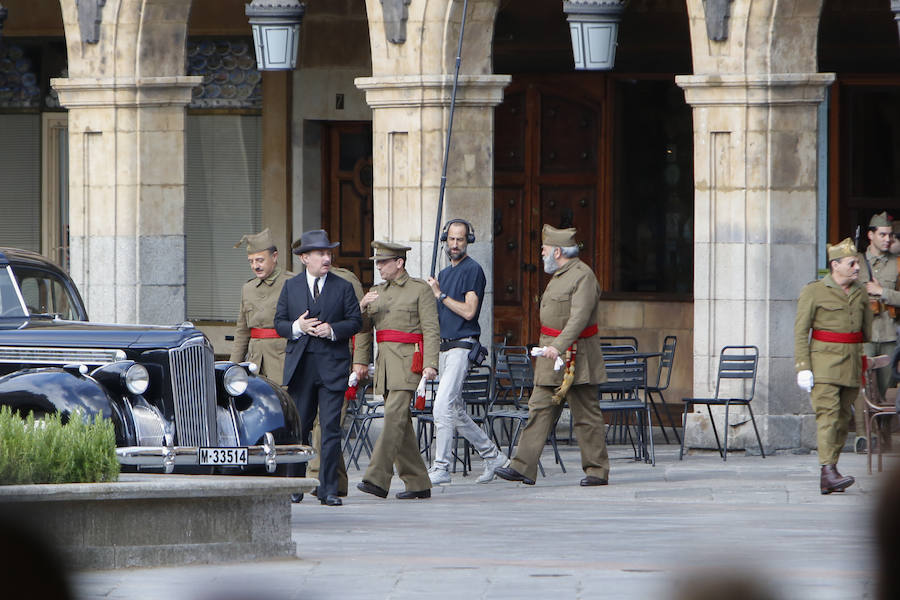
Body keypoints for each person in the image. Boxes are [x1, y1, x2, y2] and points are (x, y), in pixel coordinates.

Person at [494, 224, 610, 487]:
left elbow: (579, 318)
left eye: (544, 249)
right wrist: (553, 347)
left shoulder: (583, 276)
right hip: (551, 354)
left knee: (586, 415)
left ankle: (597, 470)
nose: (541, 253)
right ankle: (523, 466)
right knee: (539, 409)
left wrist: (558, 346)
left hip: (577, 355)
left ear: (557, 251)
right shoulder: (560, 275)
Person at [274, 230, 362, 507]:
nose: (327, 258)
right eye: (320, 254)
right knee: (299, 428)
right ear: (304, 259)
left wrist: (332, 329)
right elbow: (279, 323)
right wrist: (297, 327)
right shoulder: (292, 287)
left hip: (332, 366)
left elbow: (355, 322)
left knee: (330, 428)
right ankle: (296, 485)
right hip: (301, 367)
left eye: (328, 253)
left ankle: (328, 489)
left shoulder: (343, 286)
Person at [425, 219, 508, 485]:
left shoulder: (473, 270)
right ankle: (493, 456)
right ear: (444, 241)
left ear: (468, 241)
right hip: (445, 346)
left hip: (463, 344)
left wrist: (439, 295)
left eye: (460, 239)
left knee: (442, 406)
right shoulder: (445, 273)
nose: (455, 244)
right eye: (451, 239)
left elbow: (470, 311)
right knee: (456, 411)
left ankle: (441, 467)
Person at [356, 241, 439, 500]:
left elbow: (431, 329)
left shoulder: (419, 290)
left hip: (408, 363)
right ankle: (418, 482)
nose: (378, 267)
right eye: (377, 262)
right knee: (401, 425)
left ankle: (376, 479)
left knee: (393, 417)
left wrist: (430, 364)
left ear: (399, 263)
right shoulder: (375, 292)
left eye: (383, 262)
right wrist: (360, 307)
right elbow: (361, 330)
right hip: (385, 366)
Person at [793, 237, 873, 494]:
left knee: (841, 419)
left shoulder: (860, 291)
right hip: (823, 365)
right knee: (827, 416)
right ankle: (827, 469)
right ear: (835, 265)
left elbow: (866, 331)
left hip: (850, 364)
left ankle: (831, 471)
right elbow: (800, 331)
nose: (857, 268)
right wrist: (803, 366)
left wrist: (864, 358)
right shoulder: (814, 291)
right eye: (852, 263)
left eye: (858, 263)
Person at [306, 259, 372, 498]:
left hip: (340, 362)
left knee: (327, 423)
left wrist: (360, 360)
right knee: (321, 423)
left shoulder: (345, 279)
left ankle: (316, 477)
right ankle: (337, 481)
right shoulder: (302, 282)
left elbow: (360, 321)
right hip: (313, 363)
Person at [855, 211, 899, 453]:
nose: (887, 239)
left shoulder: (897, 263)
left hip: (889, 334)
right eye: (882, 234)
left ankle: (882, 433)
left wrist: (884, 292)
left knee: (883, 388)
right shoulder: (856, 262)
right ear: (870, 235)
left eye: (890, 235)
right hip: (865, 332)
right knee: (862, 384)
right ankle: (864, 436)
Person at [230, 228, 294, 384]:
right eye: (251, 261)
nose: (255, 266)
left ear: (274, 257)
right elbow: (242, 332)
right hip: (255, 363)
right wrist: (233, 367)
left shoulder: (292, 283)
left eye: (260, 260)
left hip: (283, 361)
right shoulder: (248, 288)